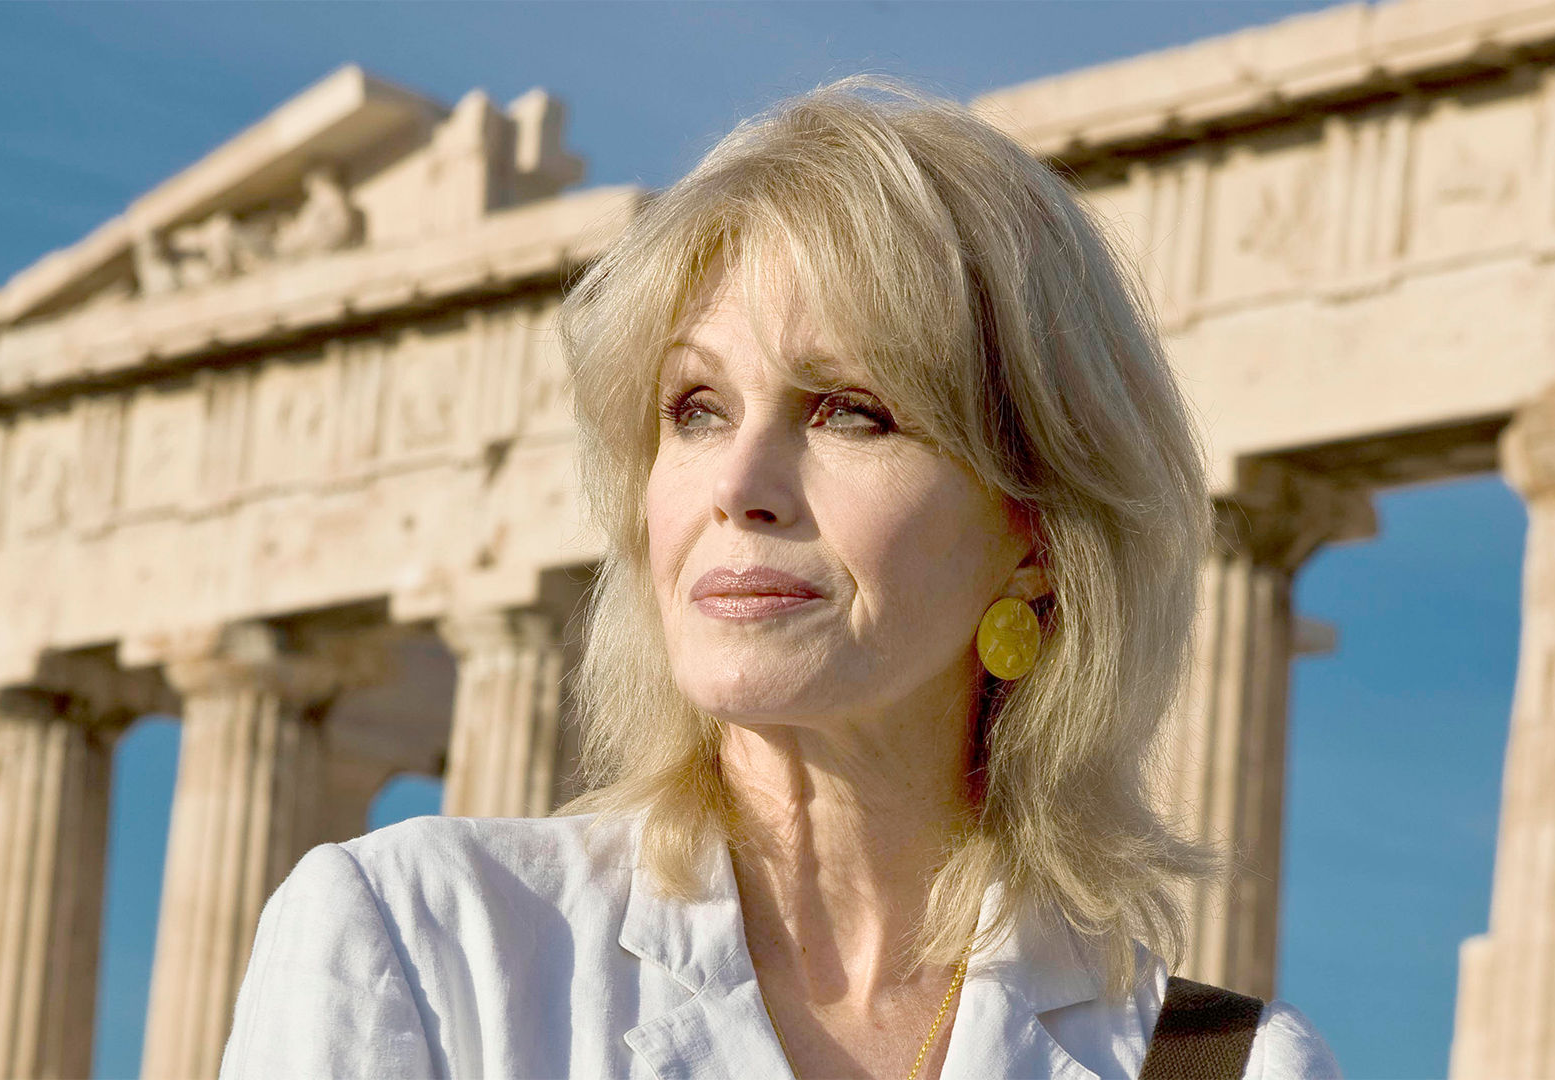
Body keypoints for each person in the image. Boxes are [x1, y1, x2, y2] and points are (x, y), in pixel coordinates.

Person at [218, 75, 1343, 1080]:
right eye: (696, 409)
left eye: (850, 411)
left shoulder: (1231, 1069)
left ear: (1036, 531)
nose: (739, 485)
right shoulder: (420, 944)